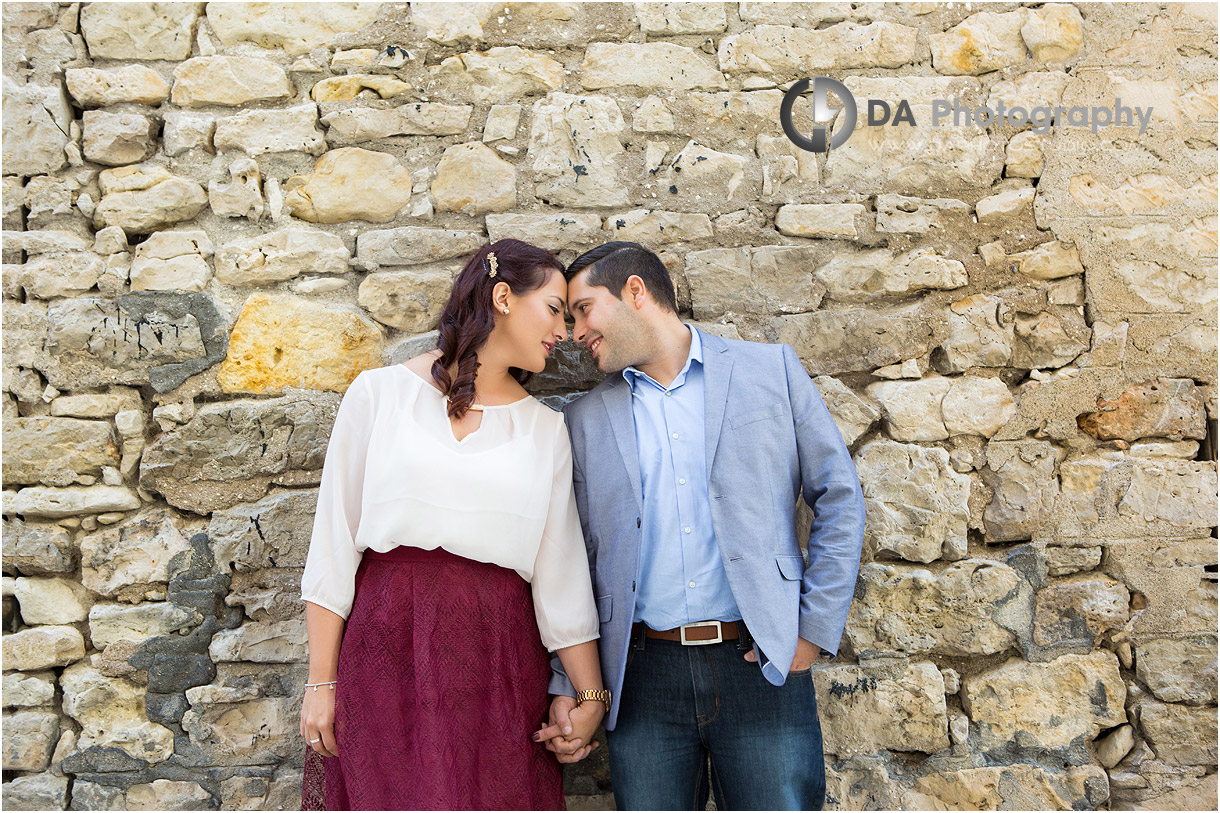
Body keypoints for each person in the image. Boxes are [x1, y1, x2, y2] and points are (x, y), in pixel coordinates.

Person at [535, 241, 866, 810]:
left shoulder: (770, 371)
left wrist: (811, 631)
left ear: (635, 292)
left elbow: (839, 496)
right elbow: (575, 560)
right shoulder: (586, 418)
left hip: (760, 664)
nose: (575, 332)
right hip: (640, 677)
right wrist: (571, 684)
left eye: (584, 309)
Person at [299, 239, 609, 810]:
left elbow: (561, 575)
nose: (565, 332)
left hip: (496, 661)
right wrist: (322, 681)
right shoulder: (379, 394)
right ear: (502, 298)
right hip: (386, 648)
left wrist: (590, 696)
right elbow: (333, 547)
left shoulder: (545, 430)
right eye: (555, 310)